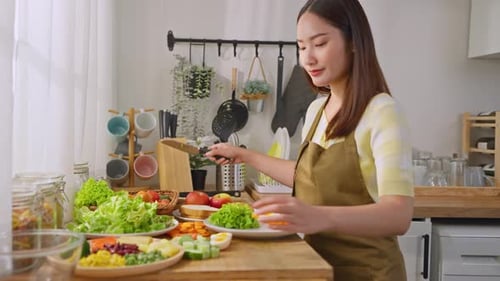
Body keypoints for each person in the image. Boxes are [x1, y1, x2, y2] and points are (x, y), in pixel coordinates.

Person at [206, 0, 414, 280]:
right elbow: (308, 176)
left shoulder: (382, 111)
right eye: (302, 47)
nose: (308, 58)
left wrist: (319, 216)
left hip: (371, 273)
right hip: (318, 268)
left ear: (354, 42)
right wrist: (244, 155)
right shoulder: (317, 109)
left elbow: (398, 216)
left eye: (319, 43)